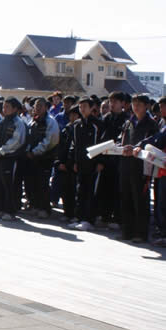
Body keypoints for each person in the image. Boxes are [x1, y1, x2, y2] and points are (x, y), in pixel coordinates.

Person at [119, 95, 158, 242]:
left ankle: (140, 233)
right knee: (126, 197)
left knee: (140, 200)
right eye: (134, 104)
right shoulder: (129, 122)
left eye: (139, 104)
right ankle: (127, 231)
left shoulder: (151, 124)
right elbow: (121, 139)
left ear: (146, 106)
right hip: (126, 164)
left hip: (142, 167)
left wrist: (136, 147)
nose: (136, 107)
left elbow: (153, 144)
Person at [68, 97, 104, 231]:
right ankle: (79, 217)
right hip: (81, 163)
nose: (82, 109)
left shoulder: (97, 124)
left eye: (85, 106)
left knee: (91, 191)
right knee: (80, 190)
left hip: (93, 164)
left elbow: (102, 144)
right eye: (80, 106)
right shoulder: (77, 124)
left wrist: (100, 161)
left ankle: (89, 219)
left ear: (91, 108)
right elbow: (75, 145)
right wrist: (75, 161)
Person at [0, 97, 27, 221]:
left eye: (7, 107)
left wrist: (0, 151)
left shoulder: (18, 123)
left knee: (8, 185)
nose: (4, 109)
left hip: (10, 158)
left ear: (15, 109)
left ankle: (9, 211)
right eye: (4, 107)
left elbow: (16, 141)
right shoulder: (0, 123)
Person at [97, 91, 129, 230]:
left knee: (118, 190)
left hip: (120, 160)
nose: (112, 104)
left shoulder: (127, 120)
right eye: (111, 102)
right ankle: (104, 216)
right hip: (105, 158)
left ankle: (117, 218)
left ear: (123, 103)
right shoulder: (106, 118)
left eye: (115, 101)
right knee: (104, 188)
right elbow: (100, 139)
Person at [24, 97, 60, 218]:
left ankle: (45, 208)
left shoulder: (50, 121)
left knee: (43, 183)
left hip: (45, 158)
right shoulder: (33, 121)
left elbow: (49, 141)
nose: (37, 108)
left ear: (45, 107)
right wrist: (28, 151)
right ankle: (34, 205)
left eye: (40, 105)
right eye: (35, 106)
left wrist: (34, 152)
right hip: (32, 158)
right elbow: (28, 137)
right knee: (32, 182)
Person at [56, 105, 81, 222]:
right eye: (70, 114)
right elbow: (61, 147)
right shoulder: (66, 128)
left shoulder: (79, 128)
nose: (72, 117)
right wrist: (60, 162)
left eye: (75, 114)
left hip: (73, 164)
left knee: (74, 191)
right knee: (65, 190)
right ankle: (67, 212)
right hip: (64, 163)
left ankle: (74, 214)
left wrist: (71, 163)